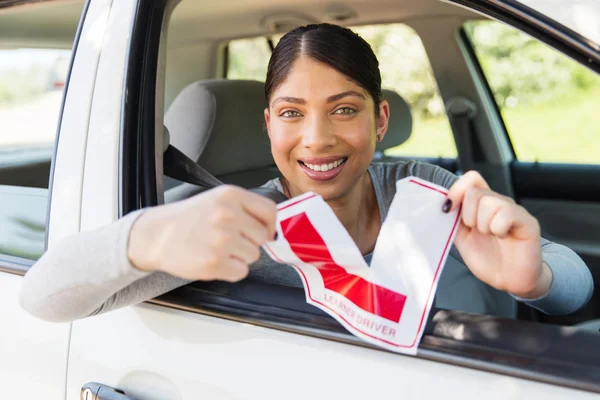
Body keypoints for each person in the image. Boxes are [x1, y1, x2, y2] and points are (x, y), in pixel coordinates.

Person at [20, 23, 593, 323]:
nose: (318, 138)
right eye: (292, 114)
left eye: (344, 109)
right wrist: (147, 237)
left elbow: (573, 286)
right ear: (269, 124)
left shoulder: (421, 190)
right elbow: (43, 299)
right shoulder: (239, 228)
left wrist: (535, 279)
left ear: (381, 118)